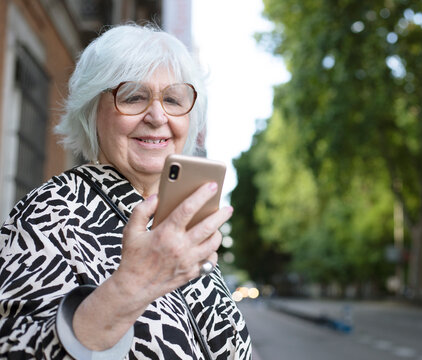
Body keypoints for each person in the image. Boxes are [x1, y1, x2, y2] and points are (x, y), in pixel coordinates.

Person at [0, 23, 252, 359]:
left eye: (174, 99)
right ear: (92, 110)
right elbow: (12, 348)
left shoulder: (177, 222)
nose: (157, 116)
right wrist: (132, 286)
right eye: (133, 97)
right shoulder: (51, 210)